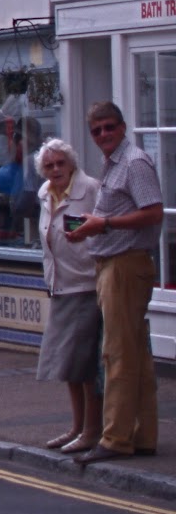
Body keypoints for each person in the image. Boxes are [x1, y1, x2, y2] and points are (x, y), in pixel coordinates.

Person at [65, 101, 161, 463]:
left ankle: (116, 439)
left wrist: (102, 225)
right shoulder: (113, 164)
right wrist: (90, 225)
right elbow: (120, 212)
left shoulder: (133, 162)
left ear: (122, 127)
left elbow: (152, 211)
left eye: (109, 127)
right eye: (97, 130)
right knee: (135, 353)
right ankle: (142, 435)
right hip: (113, 263)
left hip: (124, 266)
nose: (104, 135)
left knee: (117, 353)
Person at [35, 138, 103, 454]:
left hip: (86, 286)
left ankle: (92, 431)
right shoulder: (44, 195)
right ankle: (77, 427)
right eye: (49, 166)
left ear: (72, 163)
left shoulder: (90, 189)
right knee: (68, 366)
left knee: (85, 365)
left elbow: (104, 232)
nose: (56, 169)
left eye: (61, 163)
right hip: (60, 288)